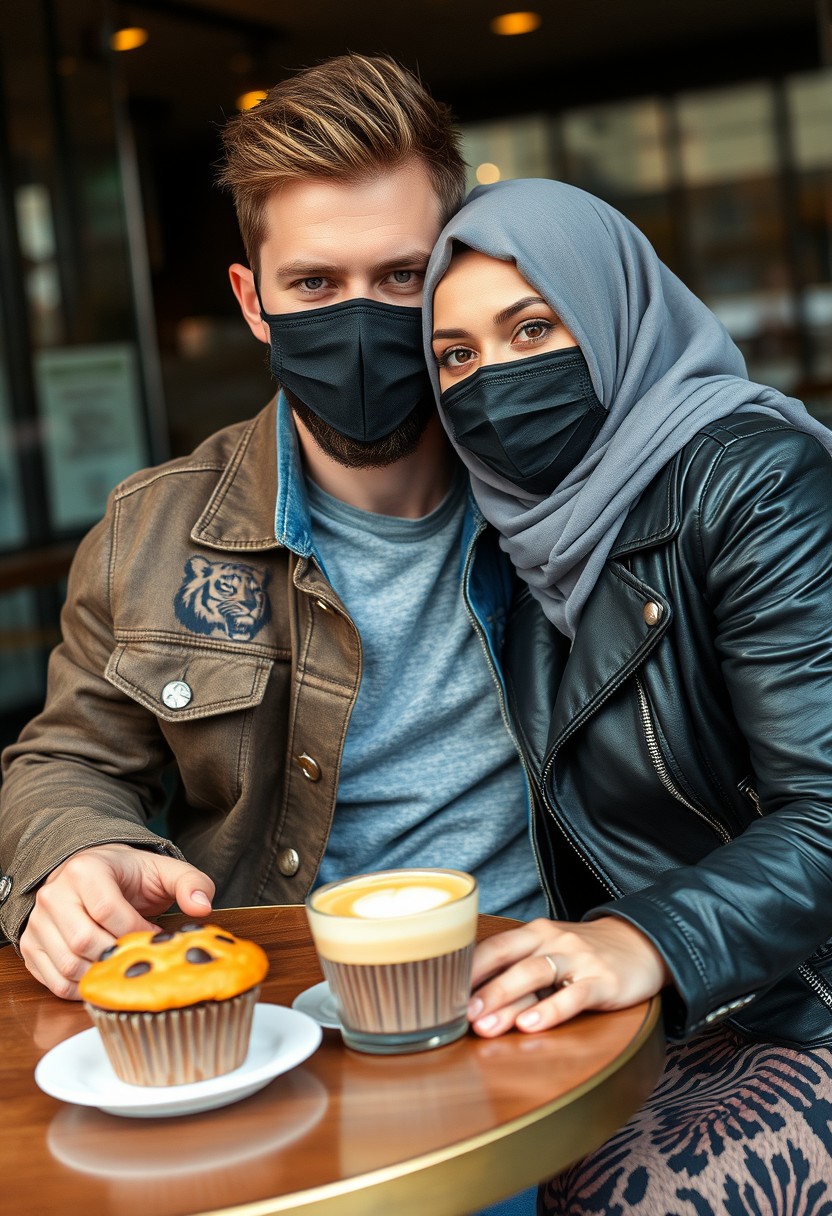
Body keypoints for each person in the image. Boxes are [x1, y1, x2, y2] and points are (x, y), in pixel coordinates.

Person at [0, 56, 547, 1011]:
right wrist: (76, 851)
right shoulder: (149, 532)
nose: (360, 318)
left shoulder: (569, 494)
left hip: (538, 996)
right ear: (254, 303)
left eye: (402, 276)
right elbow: (68, 758)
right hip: (280, 1013)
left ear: (451, 276)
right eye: (314, 284)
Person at [423, 177, 832, 1212]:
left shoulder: (756, 481)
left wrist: (645, 936)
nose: (494, 382)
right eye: (457, 356)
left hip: (803, 997)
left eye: (531, 328)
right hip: (676, 1011)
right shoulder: (522, 541)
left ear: (614, 317)